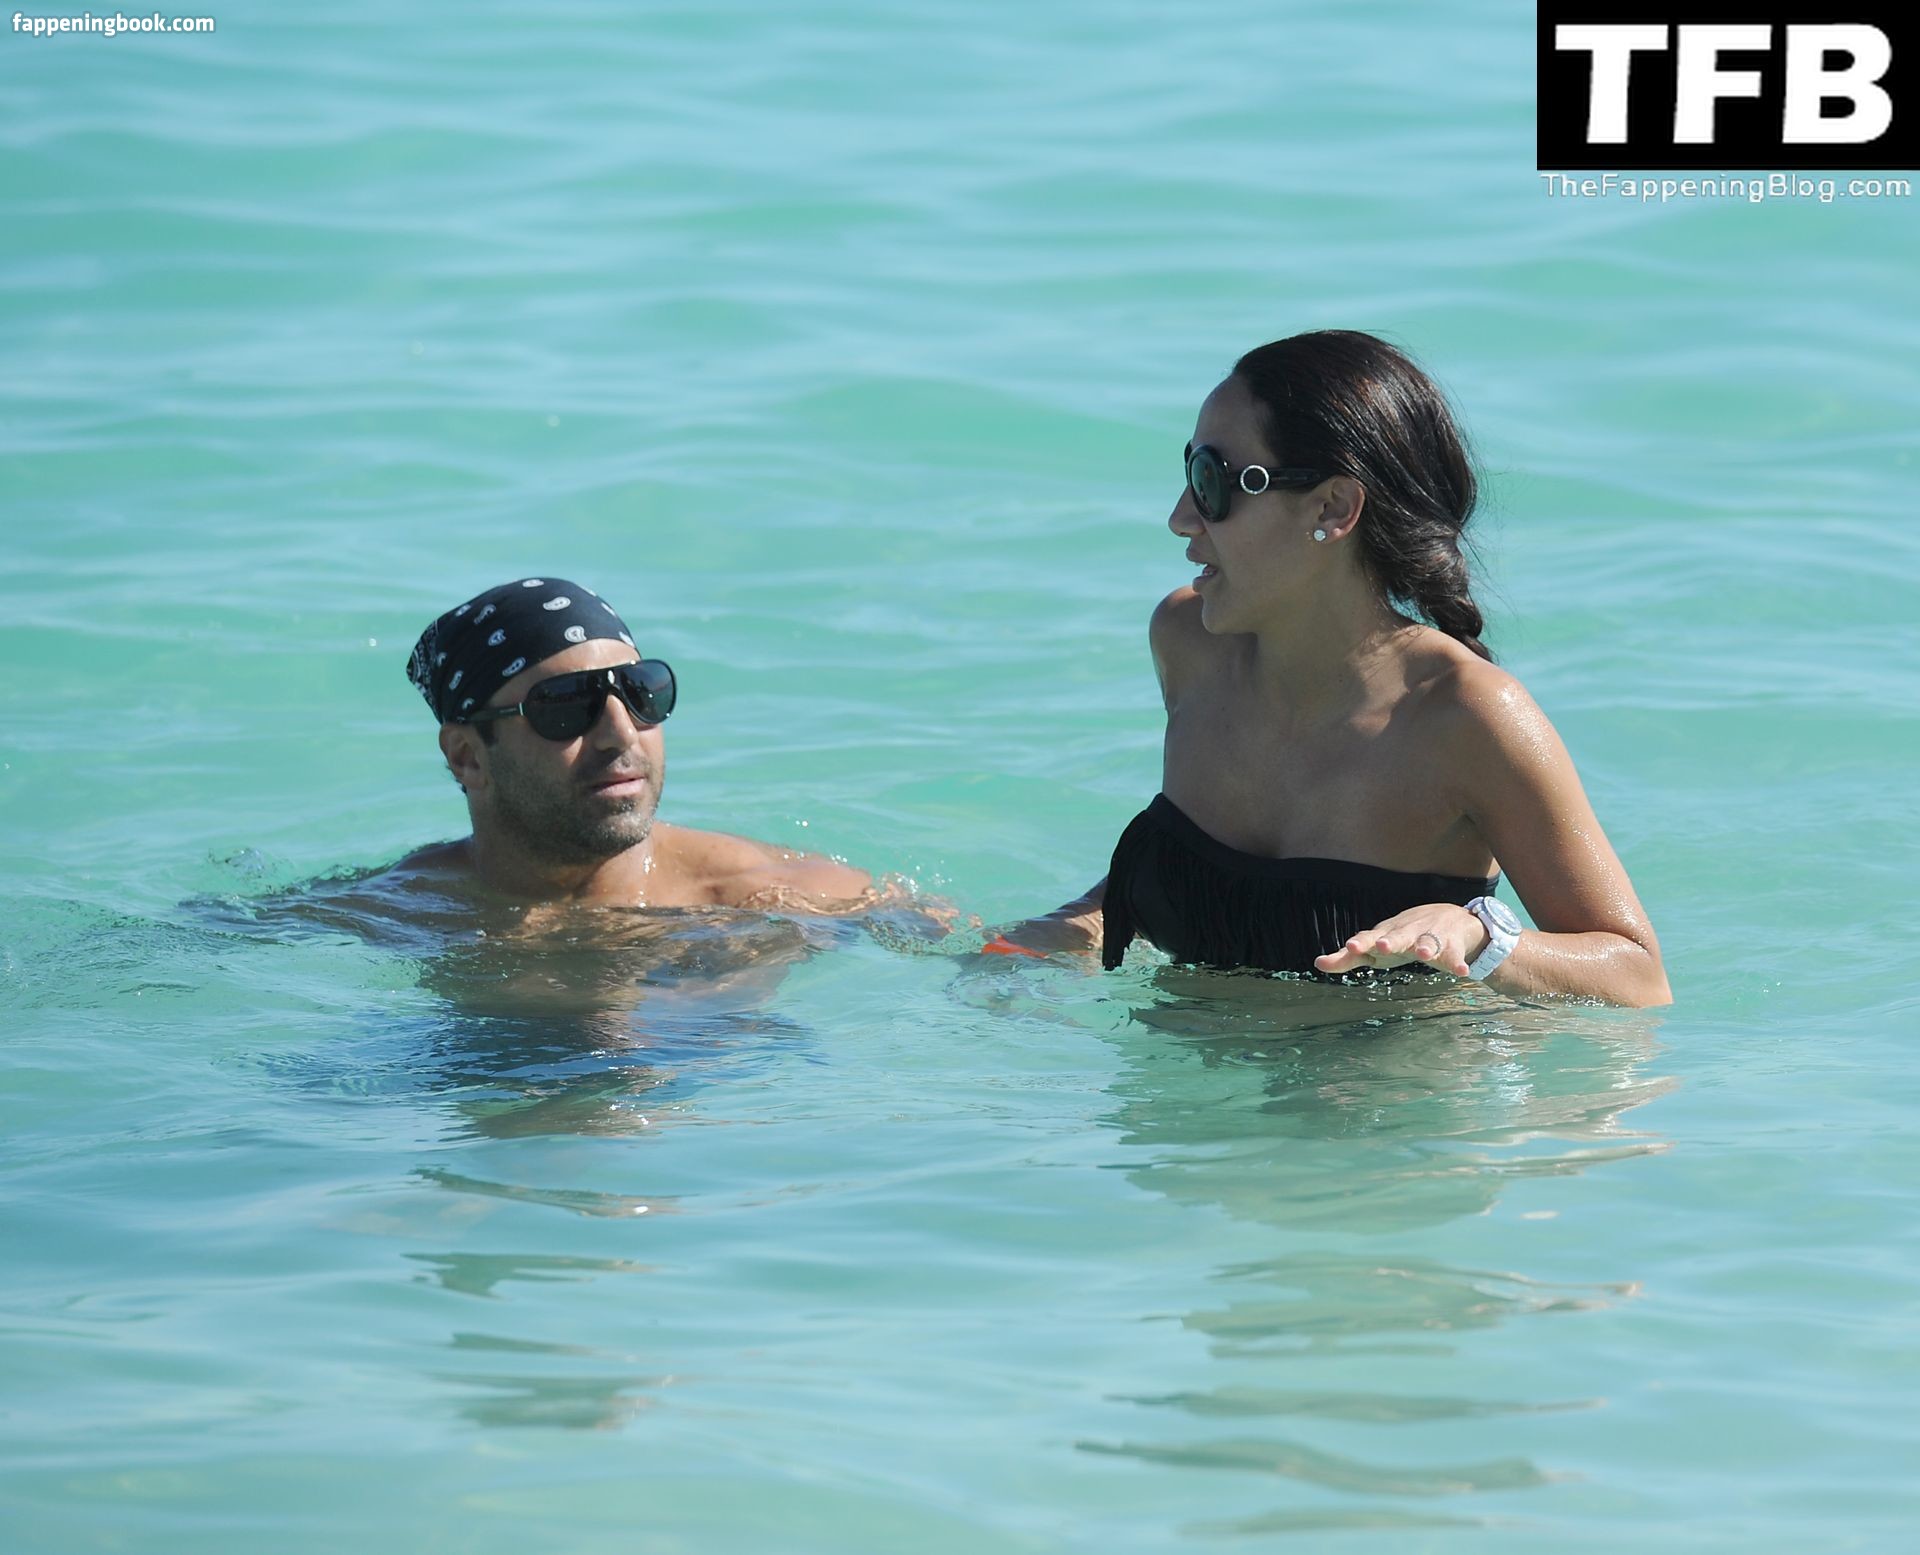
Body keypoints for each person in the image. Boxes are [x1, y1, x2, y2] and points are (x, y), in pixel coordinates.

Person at [992, 331, 1671, 1008]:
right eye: (1188, 470)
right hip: (1176, 1078)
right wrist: (1058, 931)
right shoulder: (1189, 643)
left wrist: (1480, 936)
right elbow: (1224, 888)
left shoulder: (1465, 714)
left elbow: (1640, 979)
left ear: (1333, 508)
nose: (1180, 517)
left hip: (1396, 1080)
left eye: (1212, 481)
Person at [392, 577, 875, 911]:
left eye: (640, 691)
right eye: (566, 703)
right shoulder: (395, 917)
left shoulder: (785, 901)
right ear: (467, 757)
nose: (621, 732)